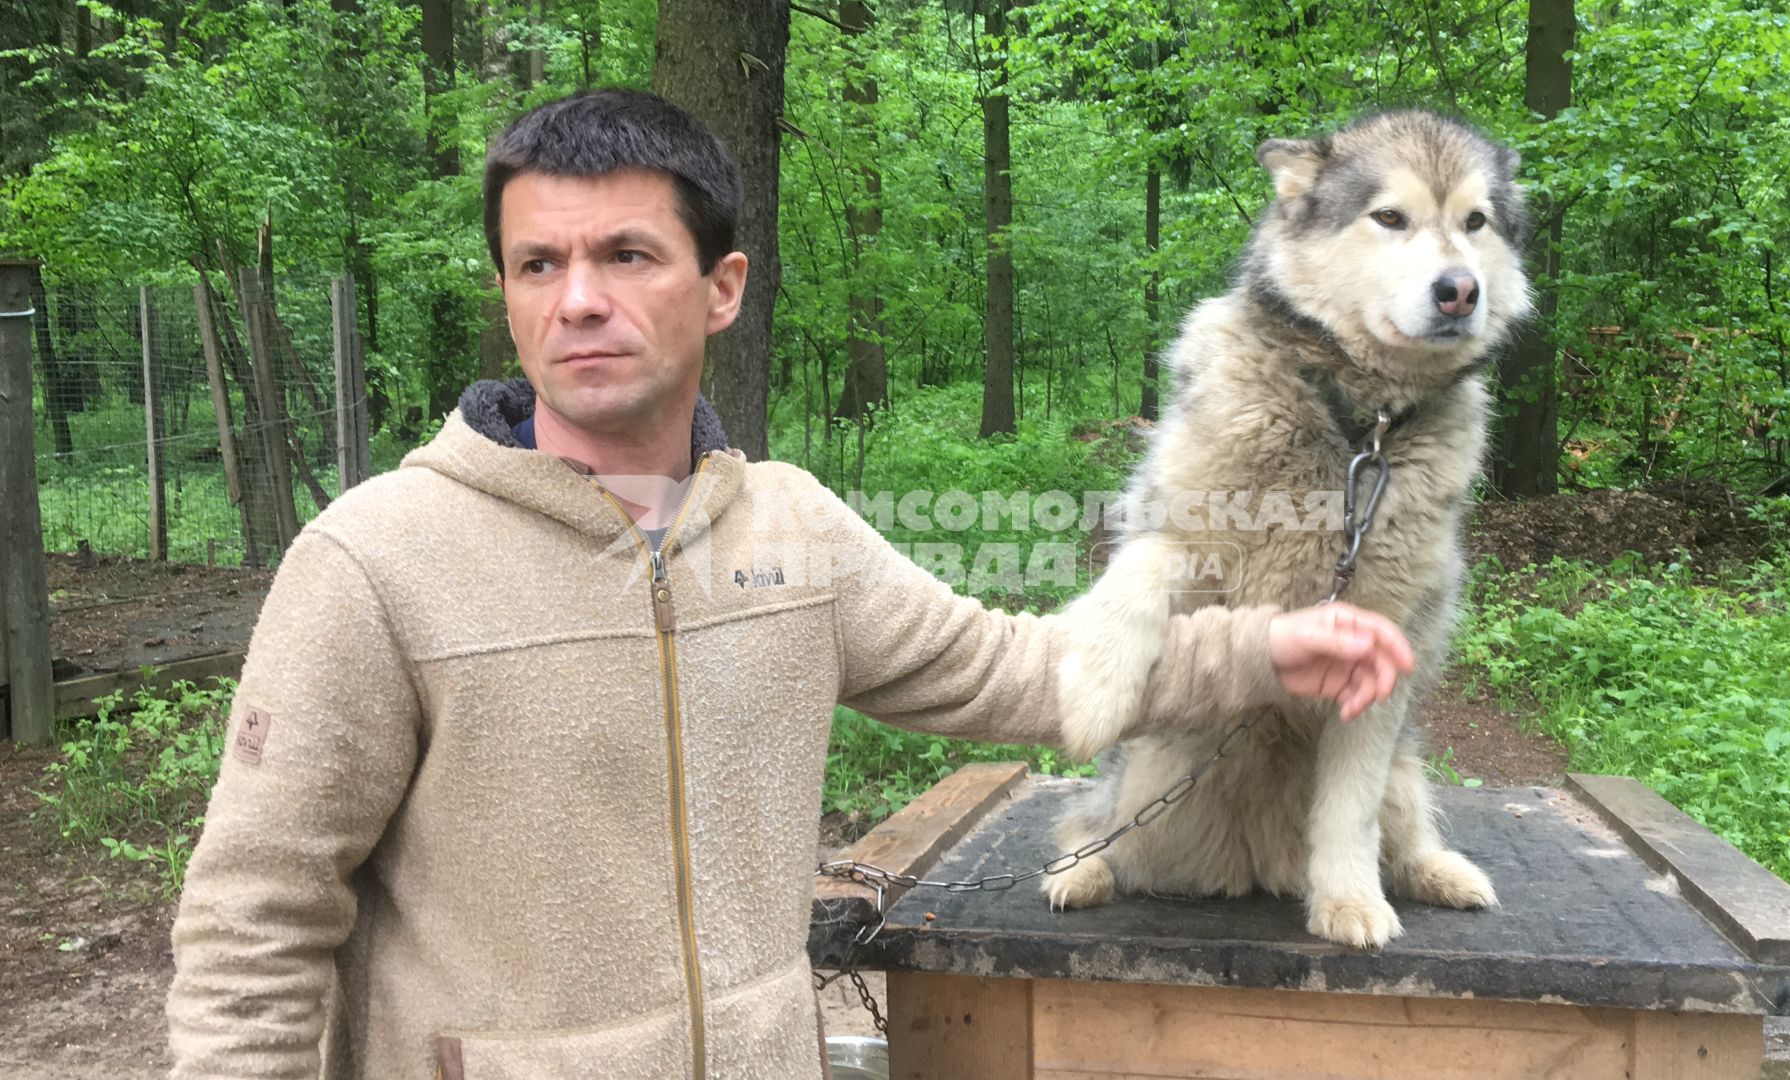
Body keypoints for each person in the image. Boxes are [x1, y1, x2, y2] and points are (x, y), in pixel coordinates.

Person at [165, 88, 1416, 1080]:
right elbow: (257, 924)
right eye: (536, 265)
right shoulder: (375, 562)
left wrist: (1260, 650)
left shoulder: (790, 527)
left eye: (625, 255)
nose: (579, 301)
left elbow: (1012, 666)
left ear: (723, 288)